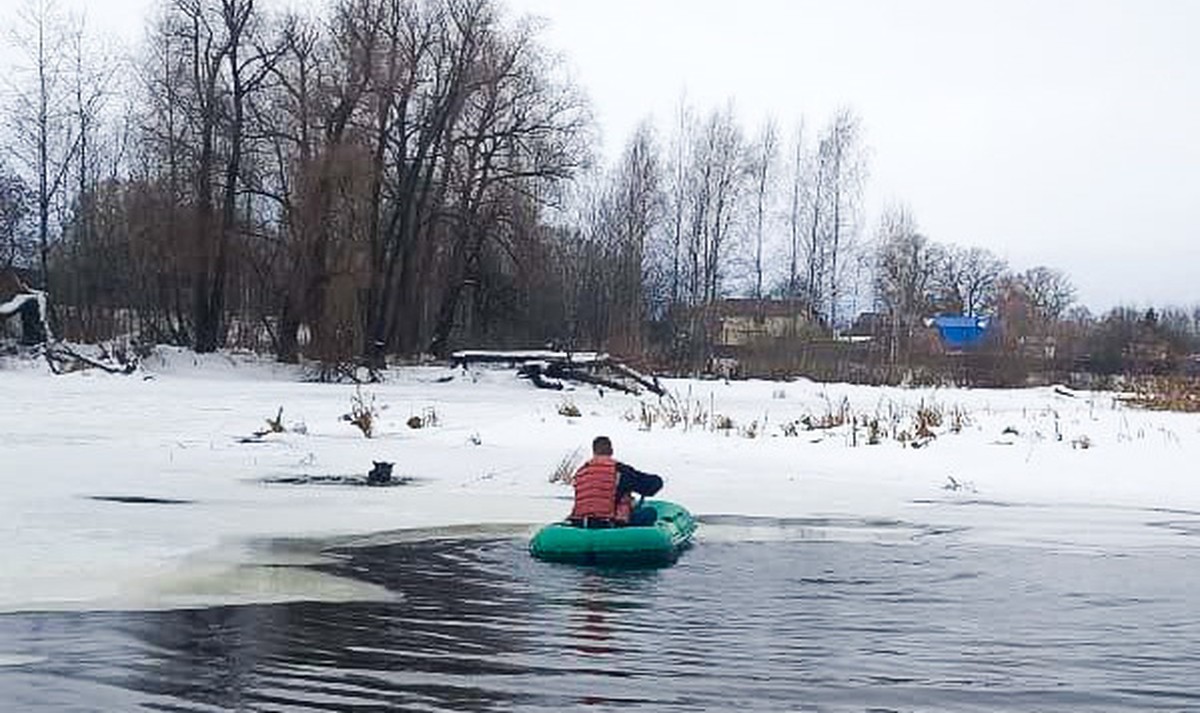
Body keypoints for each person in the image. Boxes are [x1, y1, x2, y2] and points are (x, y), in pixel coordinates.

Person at [569, 436, 663, 528]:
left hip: (580, 522)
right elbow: (650, 487)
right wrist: (657, 481)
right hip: (610, 523)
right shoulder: (620, 470)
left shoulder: (581, 472)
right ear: (611, 451)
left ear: (594, 452)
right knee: (650, 513)